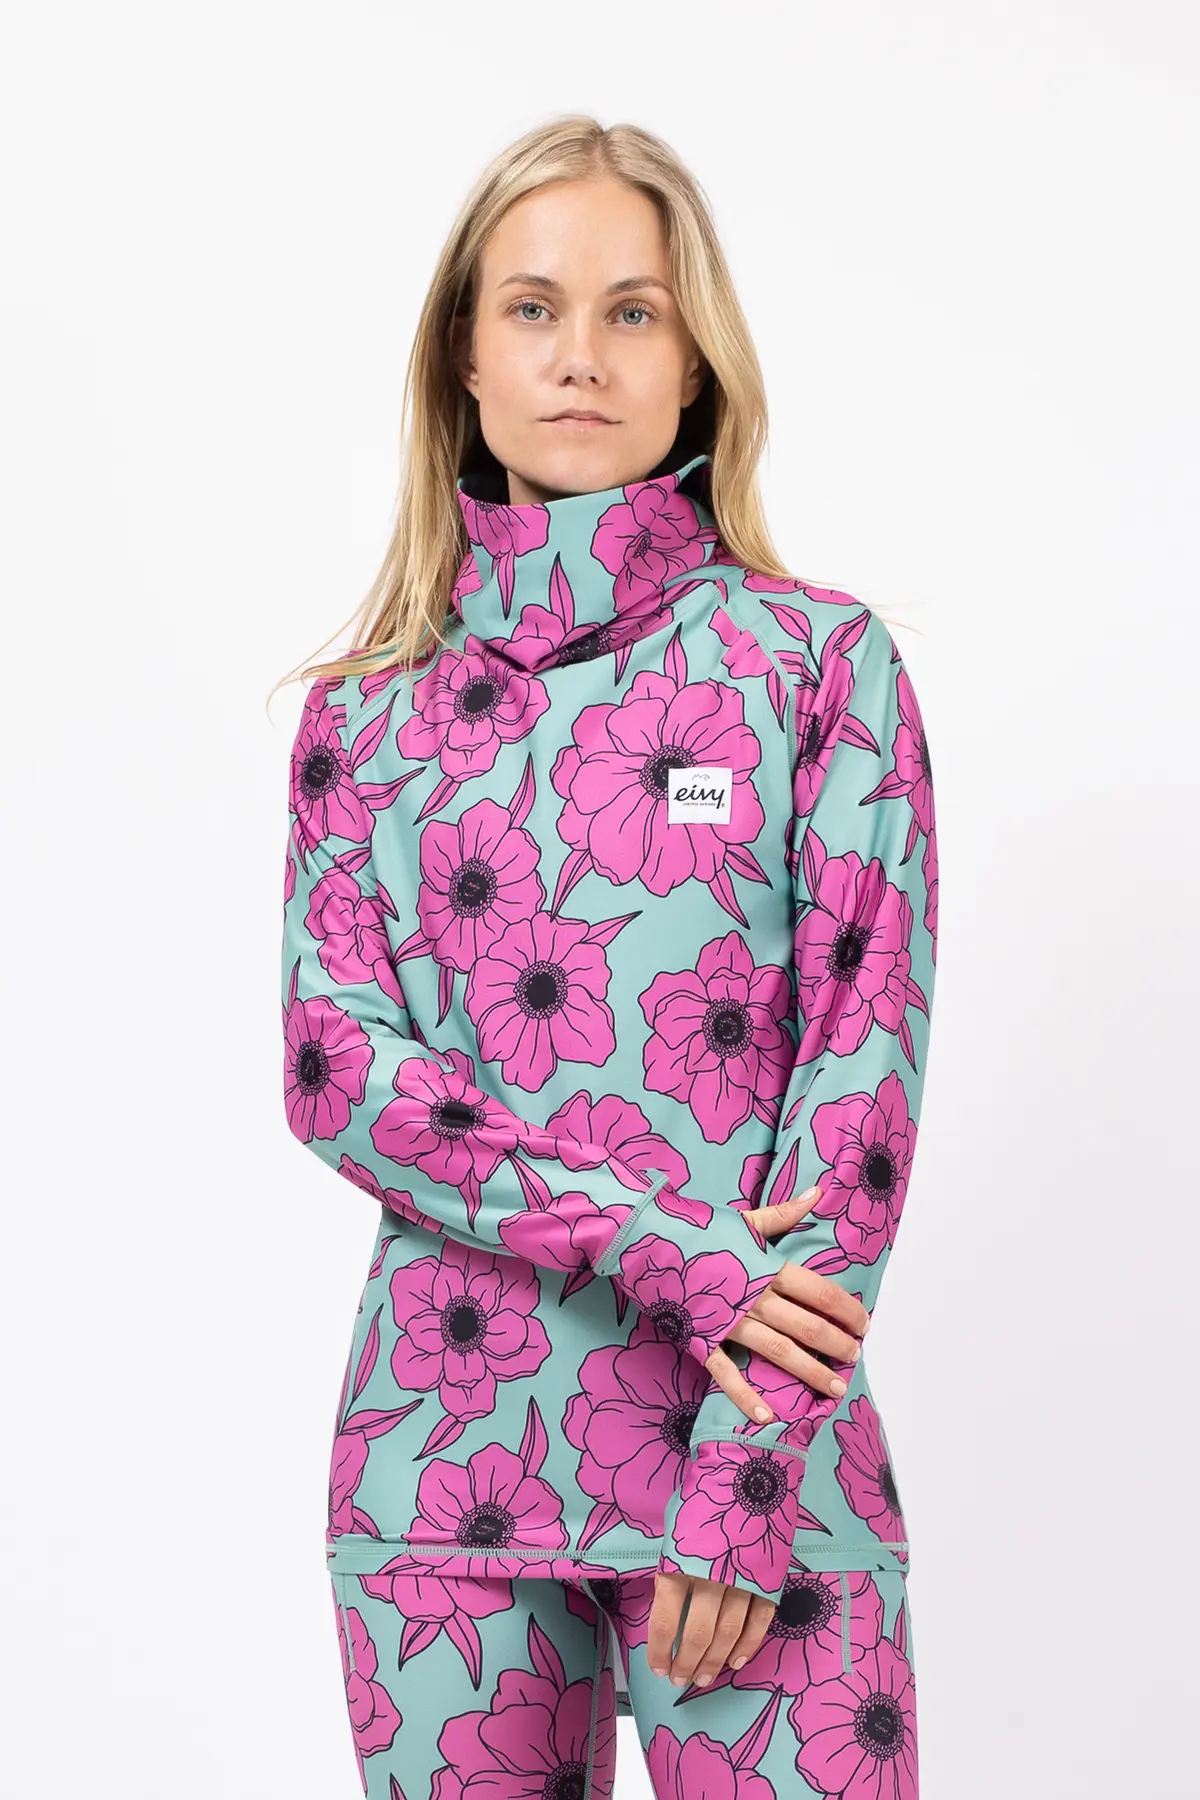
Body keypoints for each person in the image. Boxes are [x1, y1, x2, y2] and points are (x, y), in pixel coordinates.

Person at [276, 114, 938, 1800]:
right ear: (464, 356)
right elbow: (342, 1078)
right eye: (534, 308)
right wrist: (687, 1255)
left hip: (759, 1470)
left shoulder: (818, 668)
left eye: (633, 310)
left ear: (696, 359)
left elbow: (859, 1091)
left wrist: (745, 1481)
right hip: (443, 1478)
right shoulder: (365, 720)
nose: (582, 355)